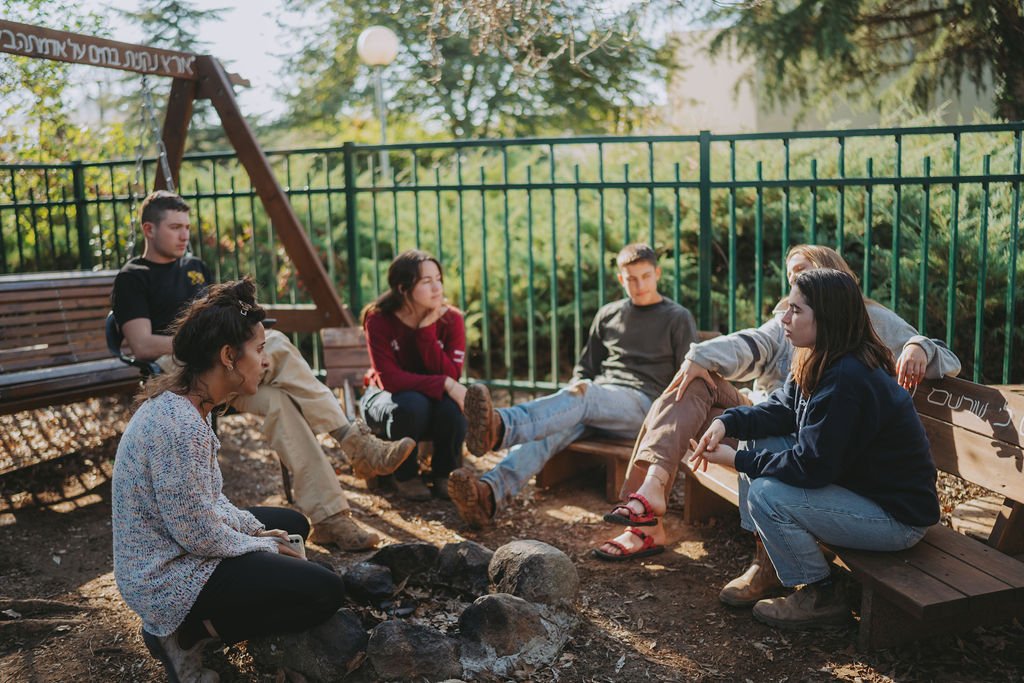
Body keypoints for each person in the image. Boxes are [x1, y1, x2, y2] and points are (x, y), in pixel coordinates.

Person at [593, 244, 959, 564]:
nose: (787, 305)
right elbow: (757, 352)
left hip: (869, 492)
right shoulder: (804, 337)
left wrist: (919, 346)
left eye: (802, 273)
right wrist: (706, 369)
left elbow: (815, 462)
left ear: (830, 277)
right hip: (817, 448)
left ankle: (783, 573)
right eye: (791, 279)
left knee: (767, 478)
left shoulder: (854, 348)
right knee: (690, 385)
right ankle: (650, 498)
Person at [111, 190, 415, 551]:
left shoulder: (195, 268)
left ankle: (331, 518)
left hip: (226, 364)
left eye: (187, 227)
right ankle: (353, 441)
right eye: (175, 227)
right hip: (182, 369)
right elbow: (143, 344)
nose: (184, 235)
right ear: (148, 229)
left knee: (279, 403)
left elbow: (220, 320)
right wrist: (203, 341)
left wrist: (228, 337)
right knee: (279, 344)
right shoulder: (134, 277)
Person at [112, 279, 347, 683]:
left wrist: (260, 531)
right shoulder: (180, 427)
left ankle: (199, 622)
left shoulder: (193, 406)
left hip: (181, 543)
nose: (266, 361)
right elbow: (198, 536)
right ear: (227, 356)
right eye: (259, 351)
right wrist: (261, 545)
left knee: (292, 525)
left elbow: (209, 501)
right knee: (326, 592)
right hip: (165, 575)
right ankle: (187, 632)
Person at [688, 268, 940, 629]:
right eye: (787, 307)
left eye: (796, 310)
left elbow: (812, 467)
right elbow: (781, 411)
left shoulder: (848, 377)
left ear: (827, 317)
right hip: (857, 488)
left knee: (766, 494)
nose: (784, 318)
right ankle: (773, 562)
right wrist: (727, 422)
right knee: (759, 440)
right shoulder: (817, 355)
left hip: (895, 518)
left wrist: (736, 459)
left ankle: (820, 595)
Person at [448, 243, 699, 529]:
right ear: (620, 279)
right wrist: (567, 405)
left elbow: (688, 377)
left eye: (645, 276)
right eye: (631, 278)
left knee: (585, 395)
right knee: (548, 429)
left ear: (657, 273)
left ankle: (501, 427)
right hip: (600, 402)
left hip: (644, 407)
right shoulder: (608, 314)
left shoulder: (677, 318)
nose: (639, 285)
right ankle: (488, 494)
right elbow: (586, 369)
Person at [360, 250, 469, 501]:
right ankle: (405, 475)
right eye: (426, 281)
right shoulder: (378, 319)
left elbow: (453, 372)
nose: (437, 287)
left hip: (430, 402)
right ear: (403, 288)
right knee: (412, 404)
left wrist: (426, 332)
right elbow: (391, 380)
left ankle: (445, 474)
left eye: (438, 279)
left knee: (453, 407)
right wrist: (443, 383)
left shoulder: (452, 319)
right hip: (385, 399)